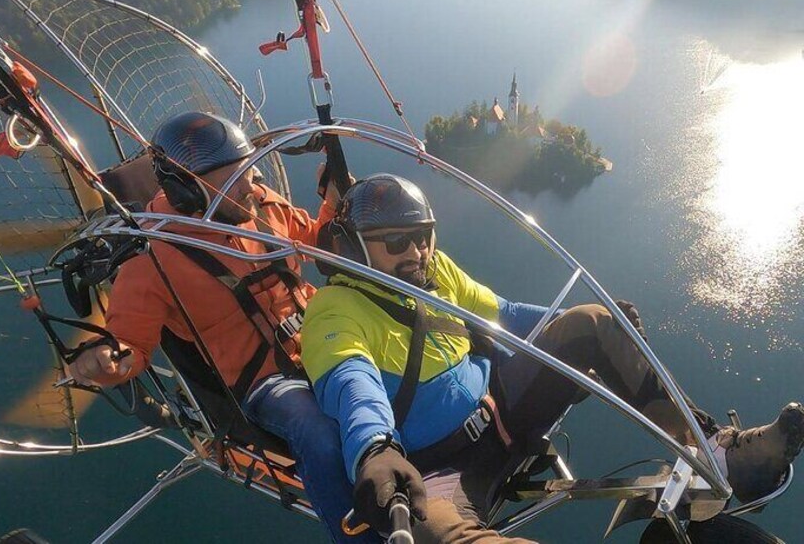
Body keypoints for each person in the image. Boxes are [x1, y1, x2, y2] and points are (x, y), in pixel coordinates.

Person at [300, 173, 804, 543]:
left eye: (423, 235)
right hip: (438, 471)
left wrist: (590, 323)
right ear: (353, 248)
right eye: (395, 242)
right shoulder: (333, 313)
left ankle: (709, 448)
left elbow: (506, 314)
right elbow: (354, 385)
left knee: (593, 322)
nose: (416, 252)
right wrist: (376, 449)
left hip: (501, 412)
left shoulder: (436, 273)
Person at [68, 111, 378, 544]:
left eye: (251, 172)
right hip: (267, 382)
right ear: (189, 191)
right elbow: (130, 346)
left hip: (326, 336)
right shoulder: (152, 263)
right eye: (235, 181)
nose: (252, 187)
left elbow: (319, 242)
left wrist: (333, 200)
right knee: (321, 435)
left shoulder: (259, 205)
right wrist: (105, 360)